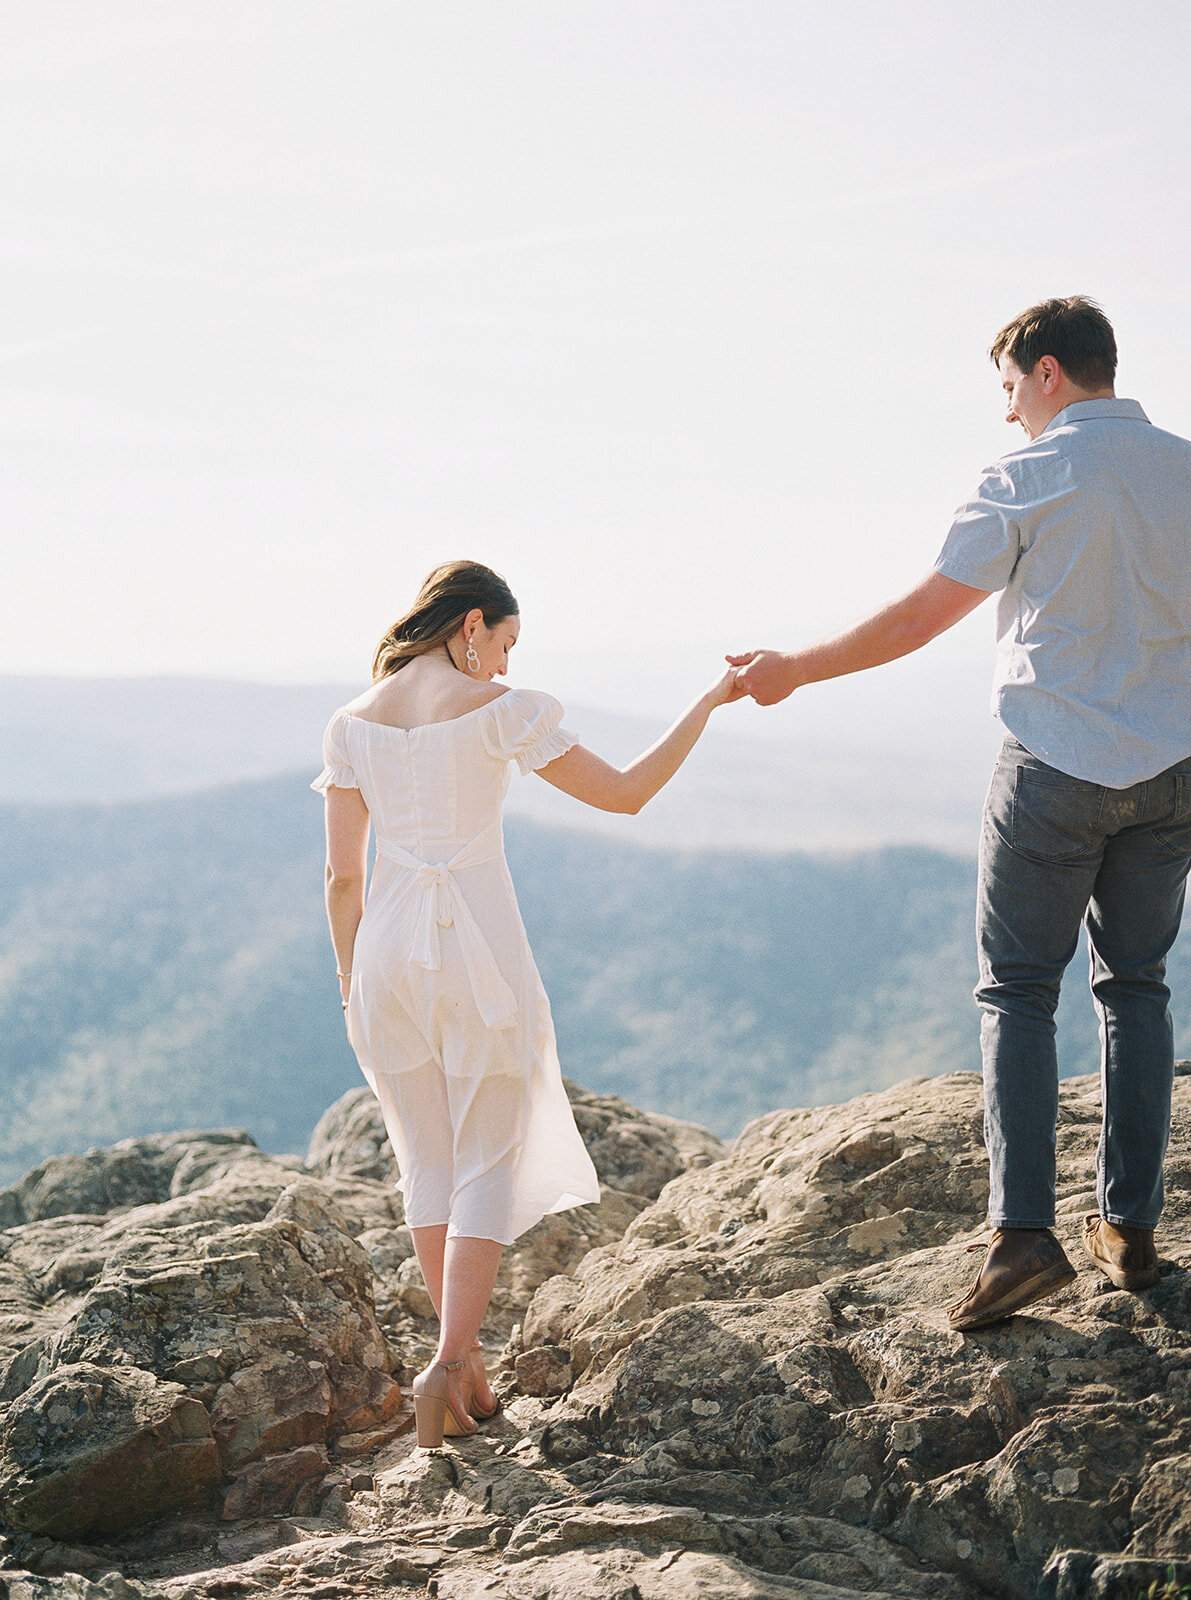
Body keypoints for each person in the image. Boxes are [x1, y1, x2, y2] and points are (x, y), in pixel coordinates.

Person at [730, 296, 1191, 1331]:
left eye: (1009, 389)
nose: (1009, 413)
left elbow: (921, 614)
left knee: (1020, 990)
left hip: (1055, 768)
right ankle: (1129, 1228)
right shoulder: (1185, 467)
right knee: (1139, 985)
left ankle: (1024, 1238)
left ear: (1049, 374)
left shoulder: (1026, 475)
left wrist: (796, 669)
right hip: (1174, 771)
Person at [314, 559, 744, 1445]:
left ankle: (461, 1368)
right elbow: (625, 793)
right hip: (474, 950)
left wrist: (350, 980)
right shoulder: (500, 712)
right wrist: (705, 704)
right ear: (470, 625)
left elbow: (341, 877)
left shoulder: (349, 724)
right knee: (486, 1162)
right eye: (504, 643)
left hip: (385, 955)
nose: (506, 666)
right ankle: (446, 1362)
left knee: (424, 1160)